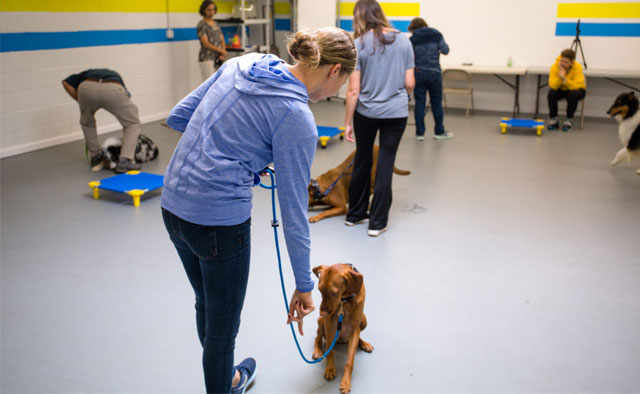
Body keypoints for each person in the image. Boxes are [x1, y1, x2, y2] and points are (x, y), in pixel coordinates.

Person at [161, 27, 357, 393]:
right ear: (334, 71)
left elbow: (179, 116)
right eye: (344, 83)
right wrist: (303, 284)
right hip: (217, 223)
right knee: (223, 328)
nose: (340, 92)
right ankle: (223, 386)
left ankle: (226, 376)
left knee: (206, 303)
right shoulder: (297, 116)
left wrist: (238, 155)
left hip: (173, 204)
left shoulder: (245, 63)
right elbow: (294, 211)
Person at [344, 0, 415, 237]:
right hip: (396, 113)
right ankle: (377, 223)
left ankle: (355, 214)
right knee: (385, 162)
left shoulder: (358, 44)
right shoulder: (404, 41)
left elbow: (353, 90)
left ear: (359, 17)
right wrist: (398, 98)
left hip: (366, 113)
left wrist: (347, 122)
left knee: (362, 159)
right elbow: (409, 83)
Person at [62, 69, 141, 173]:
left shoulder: (83, 75)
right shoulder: (116, 76)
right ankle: (124, 160)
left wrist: (79, 99)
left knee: (87, 123)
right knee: (132, 123)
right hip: (113, 88)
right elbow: (127, 96)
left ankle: (95, 158)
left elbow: (65, 82)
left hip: (86, 89)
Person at [408, 17, 452, 141]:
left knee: (420, 103)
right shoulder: (436, 34)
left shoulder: (413, 39)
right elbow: (445, 50)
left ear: (413, 28)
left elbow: (408, 57)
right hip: (434, 73)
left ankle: (419, 134)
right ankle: (439, 132)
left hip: (418, 73)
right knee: (436, 103)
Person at [547, 48, 586, 132]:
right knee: (551, 93)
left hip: (577, 90)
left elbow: (577, 86)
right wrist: (560, 76)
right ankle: (554, 119)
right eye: (562, 61)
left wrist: (564, 79)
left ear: (571, 62)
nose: (563, 64)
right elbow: (553, 85)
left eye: (566, 62)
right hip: (562, 88)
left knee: (573, 94)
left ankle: (569, 119)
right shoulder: (555, 67)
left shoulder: (578, 67)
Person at [198, 0, 228, 80]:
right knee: (209, 82)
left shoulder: (216, 24)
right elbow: (205, 43)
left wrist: (222, 53)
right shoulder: (202, 25)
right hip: (207, 58)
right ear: (204, 10)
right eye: (209, 10)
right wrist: (221, 51)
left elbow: (222, 39)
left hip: (218, 57)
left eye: (213, 9)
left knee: (219, 81)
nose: (211, 12)